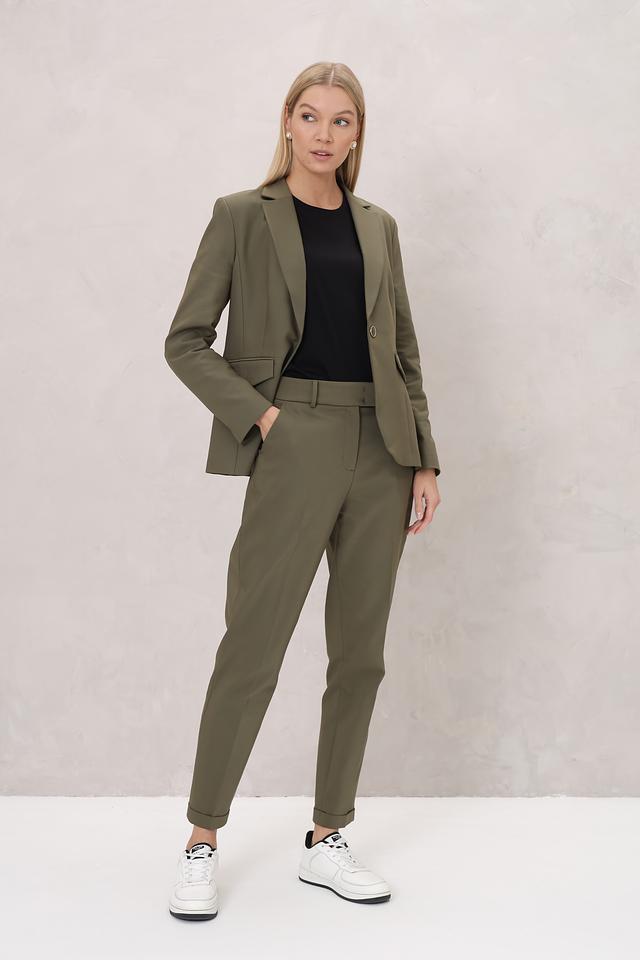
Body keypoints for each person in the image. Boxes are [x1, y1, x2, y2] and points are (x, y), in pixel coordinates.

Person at [165, 61, 442, 920]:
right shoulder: (241, 216)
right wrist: (265, 418)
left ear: (359, 133)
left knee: (360, 655)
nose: (325, 134)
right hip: (294, 437)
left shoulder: (378, 226)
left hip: (381, 447)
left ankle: (328, 837)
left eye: (342, 120)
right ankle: (201, 839)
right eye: (311, 116)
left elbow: (401, 348)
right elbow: (185, 340)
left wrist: (424, 459)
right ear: (287, 121)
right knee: (253, 647)